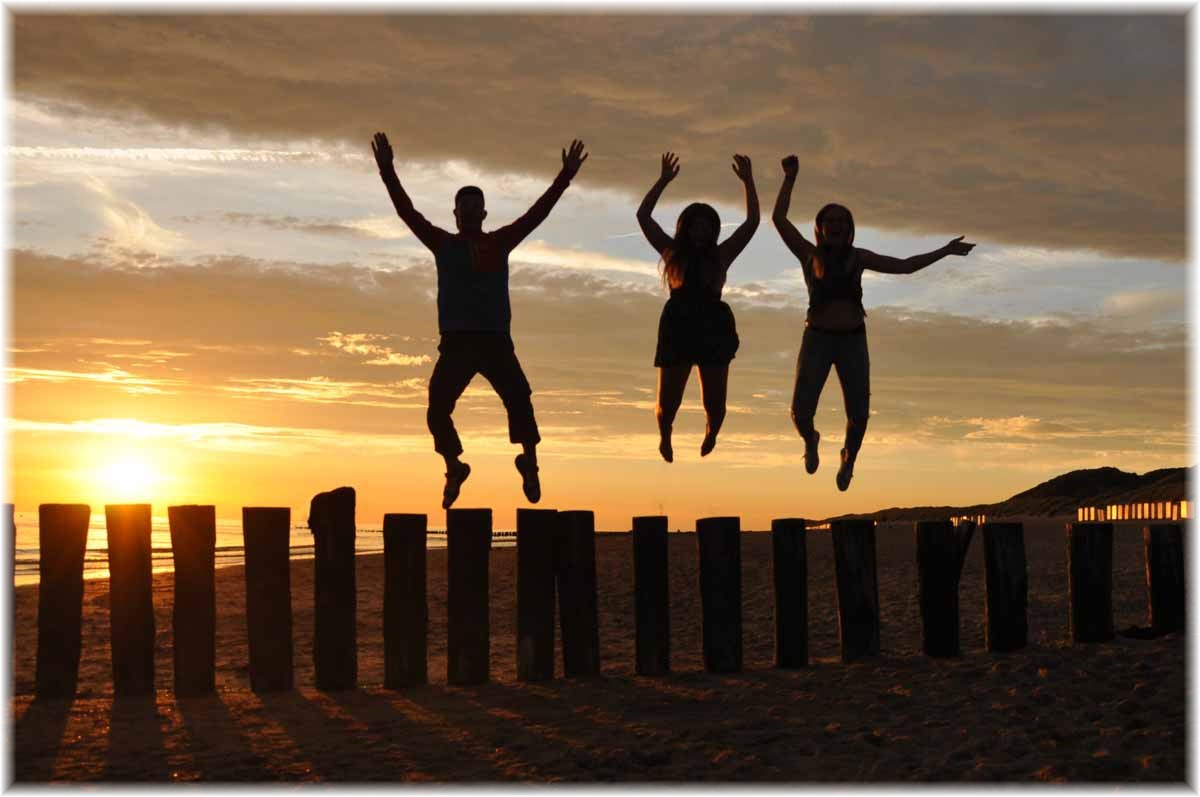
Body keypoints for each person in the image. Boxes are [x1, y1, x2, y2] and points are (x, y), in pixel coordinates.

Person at [371, 131, 589, 508]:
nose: (470, 213)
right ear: (455, 215)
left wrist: (565, 176)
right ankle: (455, 467)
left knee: (520, 399)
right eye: (464, 208)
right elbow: (407, 212)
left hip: (494, 341)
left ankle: (530, 463)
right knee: (437, 406)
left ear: (484, 213)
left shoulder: (500, 242)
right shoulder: (442, 244)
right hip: (456, 343)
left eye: (476, 207)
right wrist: (387, 170)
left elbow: (537, 214)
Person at [772, 154, 975, 491]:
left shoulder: (859, 257)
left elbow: (906, 265)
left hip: (852, 339)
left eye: (842, 221)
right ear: (820, 228)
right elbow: (779, 219)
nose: (836, 225)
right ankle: (811, 440)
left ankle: (849, 458)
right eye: (830, 220)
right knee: (800, 413)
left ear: (849, 229)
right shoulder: (809, 255)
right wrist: (790, 178)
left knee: (859, 415)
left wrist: (944, 251)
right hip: (817, 340)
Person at [637, 151, 759, 462]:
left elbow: (752, 223)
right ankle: (665, 434)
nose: (702, 231)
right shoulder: (672, 254)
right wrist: (663, 180)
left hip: (713, 324)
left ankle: (712, 430)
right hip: (678, 322)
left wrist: (748, 182)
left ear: (714, 230)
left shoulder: (721, 255)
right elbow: (643, 217)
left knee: (715, 403)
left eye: (707, 226)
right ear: (686, 228)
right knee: (668, 403)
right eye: (696, 226)